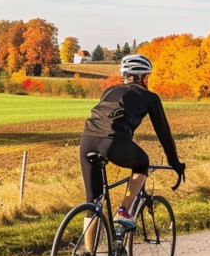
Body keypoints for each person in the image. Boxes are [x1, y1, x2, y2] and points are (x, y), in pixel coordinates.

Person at [79, 53, 185, 234]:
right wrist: (175, 163)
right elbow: (164, 134)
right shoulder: (150, 97)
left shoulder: (109, 91)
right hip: (113, 142)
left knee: (93, 203)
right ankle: (124, 211)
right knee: (142, 162)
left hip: (87, 140)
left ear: (126, 76)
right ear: (143, 77)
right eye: (148, 77)